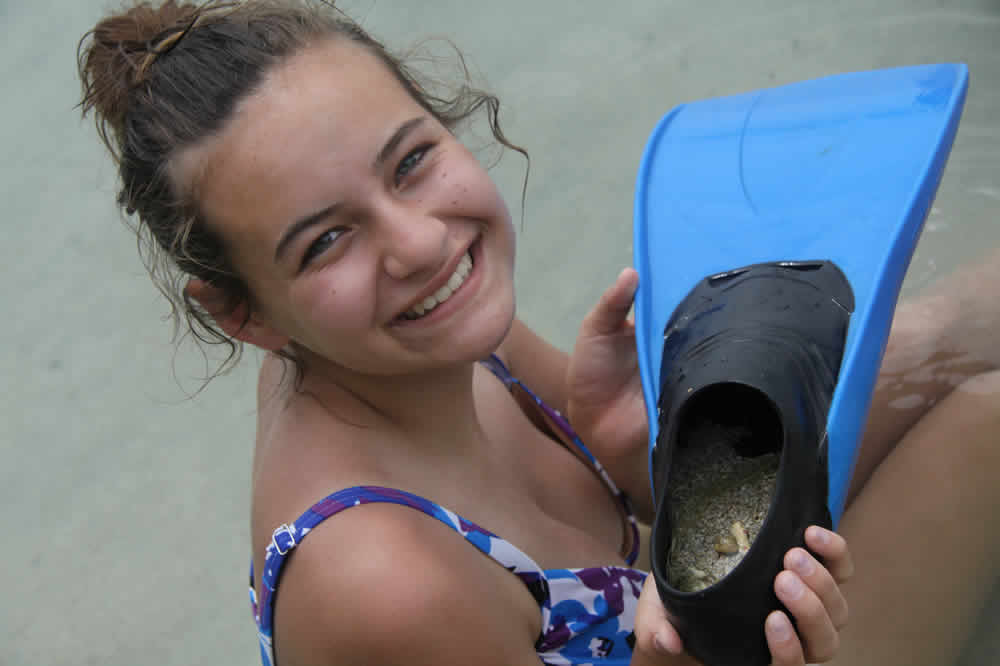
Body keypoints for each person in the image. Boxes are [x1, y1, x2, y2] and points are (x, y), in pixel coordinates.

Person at [77, 2, 1000, 665]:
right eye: (326, 240)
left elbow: (651, 506)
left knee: (953, 332)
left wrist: (630, 445)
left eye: (411, 162)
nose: (421, 242)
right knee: (987, 416)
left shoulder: (409, 338)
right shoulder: (382, 588)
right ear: (241, 313)